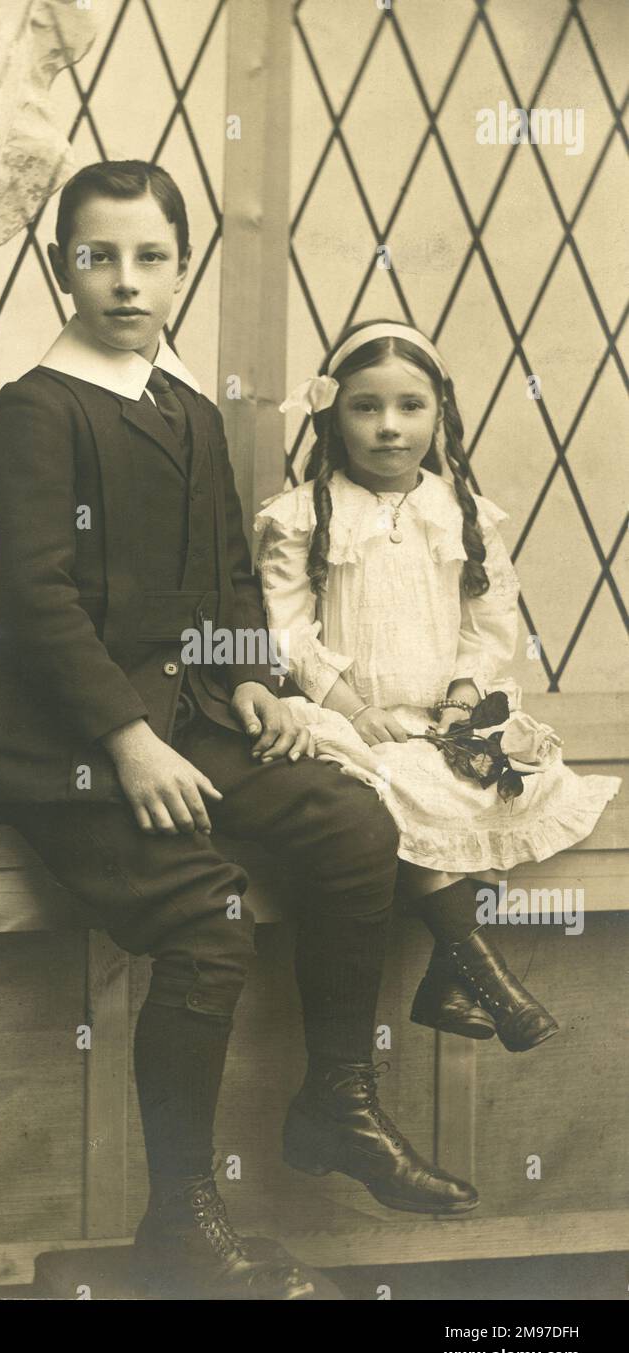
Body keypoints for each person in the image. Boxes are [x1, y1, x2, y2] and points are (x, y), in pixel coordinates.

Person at [0, 168, 478, 1302]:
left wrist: (248, 677)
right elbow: (40, 599)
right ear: (61, 269)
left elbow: (226, 576)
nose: (125, 281)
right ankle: (181, 1220)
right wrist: (126, 738)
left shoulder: (183, 405)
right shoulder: (38, 409)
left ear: (181, 267)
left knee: (350, 821)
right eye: (98, 257)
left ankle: (334, 1100)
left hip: (192, 716)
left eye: (150, 257)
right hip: (70, 744)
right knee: (206, 919)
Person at [254, 320, 621, 1054]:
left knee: (502, 776)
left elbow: (487, 625)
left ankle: (454, 978)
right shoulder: (301, 518)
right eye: (365, 407)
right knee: (404, 787)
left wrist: (460, 701)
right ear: (333, 414)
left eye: (409, 406)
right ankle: (492, 982)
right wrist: (355, 709)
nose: (390, 427)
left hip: (441, 714)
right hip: (351, 720)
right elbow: (287, 631)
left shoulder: (463, 516)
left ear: (439, 411)